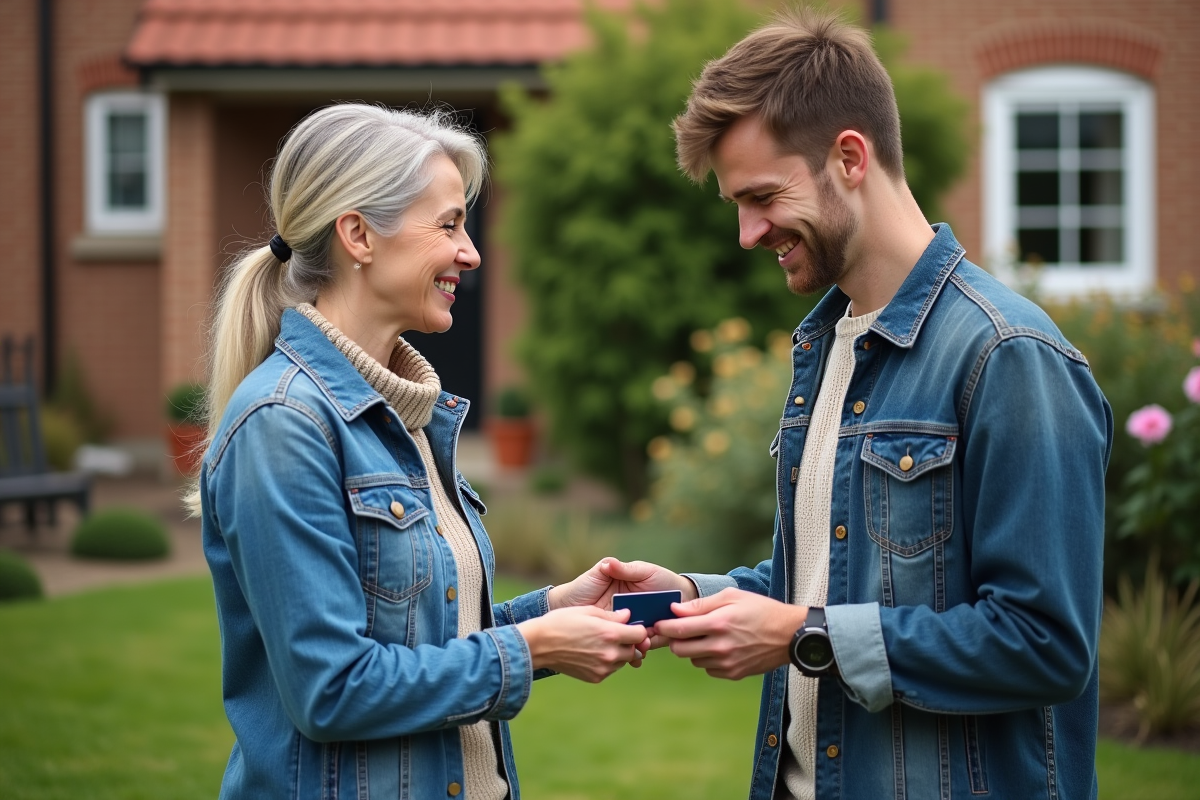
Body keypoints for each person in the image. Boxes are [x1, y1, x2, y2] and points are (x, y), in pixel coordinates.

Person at [599, 8, 1113, 800]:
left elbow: (1044, 643)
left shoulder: (1007, 357)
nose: (746, 232)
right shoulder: (827, 346)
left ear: (849, 157)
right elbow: (844, 581)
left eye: (763, 196)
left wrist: (803, 636)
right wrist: (704, 595)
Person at [190, 103, 649, 800]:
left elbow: (422, 638)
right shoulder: (285, 424)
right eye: (449, 225)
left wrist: (549, 612)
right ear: (358, 236)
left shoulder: (405, 417)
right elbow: (333, 689)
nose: (471, 252)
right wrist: (533, 648)